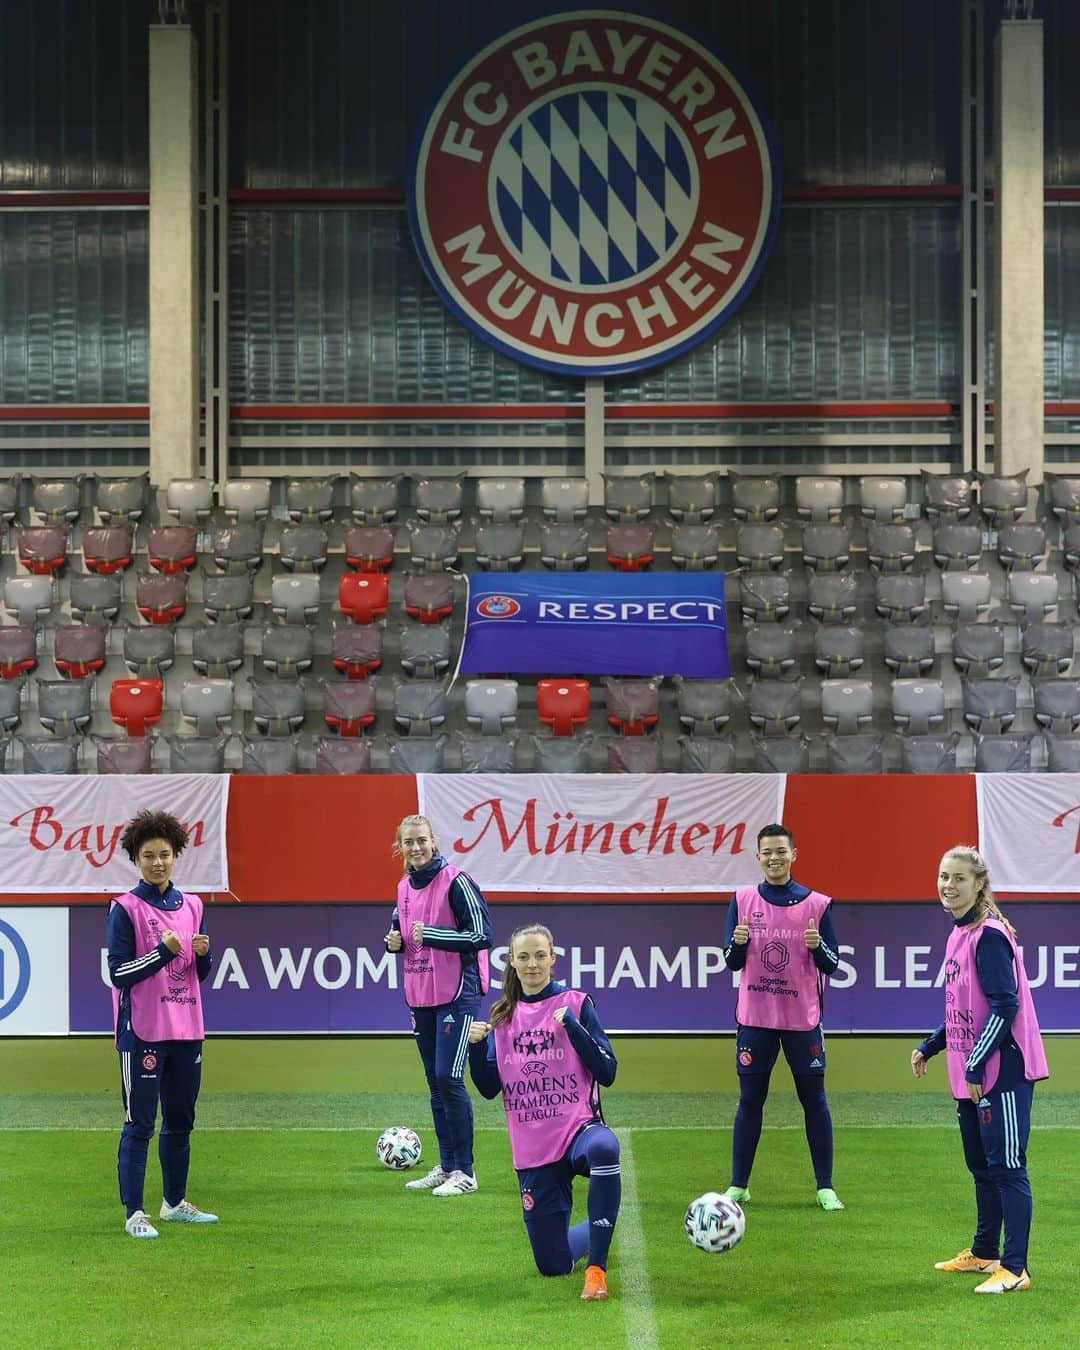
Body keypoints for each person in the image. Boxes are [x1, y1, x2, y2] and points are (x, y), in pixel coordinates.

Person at [910, 844, 1048, 1294]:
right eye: (943, 876)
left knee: (1007, 1166)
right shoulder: (958, 934)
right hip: (971, 1069)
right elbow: (962, 1007)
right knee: (981, 1166)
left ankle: (1016, 1269)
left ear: (979, 884)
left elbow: (1004, 1005)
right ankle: (985, 1252)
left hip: (1002, 1068)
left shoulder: (989, 935)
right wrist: (931, 1046)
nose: (948, 886)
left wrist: (973, 1063)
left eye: (958, 878)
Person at [467, 923, 620, 1302]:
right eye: (524, 957)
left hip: (578, 1130)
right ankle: (600, 1225)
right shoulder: (503, 1017)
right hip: (534, 1148)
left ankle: (596, 1270)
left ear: (553, 958)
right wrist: (474, 1049)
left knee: (605, 1149)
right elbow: (488, 1089)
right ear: (512, 963)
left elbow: (608, 1071)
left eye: (539, 955)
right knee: (552, 1265)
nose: (532, 964)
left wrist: (571, 1025)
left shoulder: (577, 1003)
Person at [721, 822, 844, 1210]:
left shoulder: (817, 904)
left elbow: (833, 963)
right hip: (755, 1018)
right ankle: (739, 1185)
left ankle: (825, 1187)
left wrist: (818, 946)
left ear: (794, 855)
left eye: (781, 851)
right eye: (767, 852)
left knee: (815, 1102)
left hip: (801, 1021)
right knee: (749, 1101)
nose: (774, 858)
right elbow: (731, 962)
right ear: (758, 857)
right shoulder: (742, 899)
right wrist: (738, 945)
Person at [106, 809, 217, 1239]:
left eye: (165, 854)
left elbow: (199, 975)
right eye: (148, 855)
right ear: (136, 859)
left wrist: (203, 955)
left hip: (187, 1029)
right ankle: (135, 1213)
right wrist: (163, 953)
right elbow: (117, 974)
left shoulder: (192, 905)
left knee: (181, 1122)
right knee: (139, 1124)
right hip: (143, 1033)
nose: (157, 862)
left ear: (176, 857)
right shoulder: (125, 908)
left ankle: (173, 1204)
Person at [384, 813, 492, 1196]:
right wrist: (392, 943)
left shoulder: (457, 882)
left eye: (422, 840)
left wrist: (430, 934)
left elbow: (481, 934)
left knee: (448, 1077)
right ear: (401, 847)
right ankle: (447, 1165)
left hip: (458, 992)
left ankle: (466, 1171)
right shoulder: (403, 887)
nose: (416, 847)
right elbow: (398, 929)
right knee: (435, 1081)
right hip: (421, 992)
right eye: (409, 841)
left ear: (434, 841)